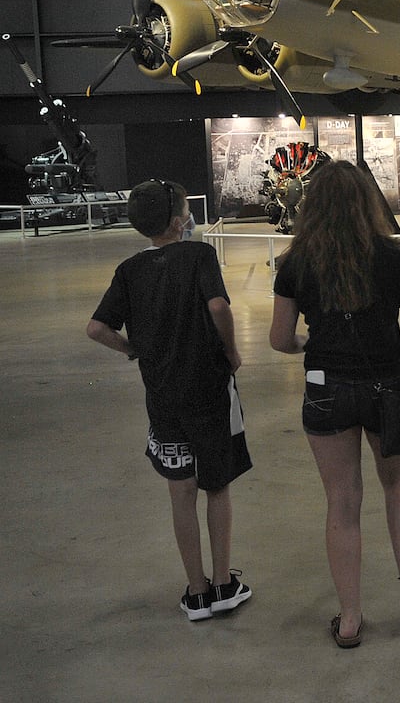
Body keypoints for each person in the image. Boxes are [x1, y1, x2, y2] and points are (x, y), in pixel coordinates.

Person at [268, 161, 400, 648]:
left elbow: (278, 338)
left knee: (343, 502)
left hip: (327, 387)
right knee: (399, 485)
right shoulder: (396, 257)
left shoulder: (294, 263)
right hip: (389, 384)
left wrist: (309, 344)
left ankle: (350, 618)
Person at [86, 179, 253, 621]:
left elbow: (97, 328)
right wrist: (232, 352)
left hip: (163, 396)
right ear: (181, 220)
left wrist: (133, 350)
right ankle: (223, 584)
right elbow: (218, 307)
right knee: (217, 486)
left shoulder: (129, 270)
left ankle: (195, 591)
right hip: (210, 390)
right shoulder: (199, 255)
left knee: (181, 492)